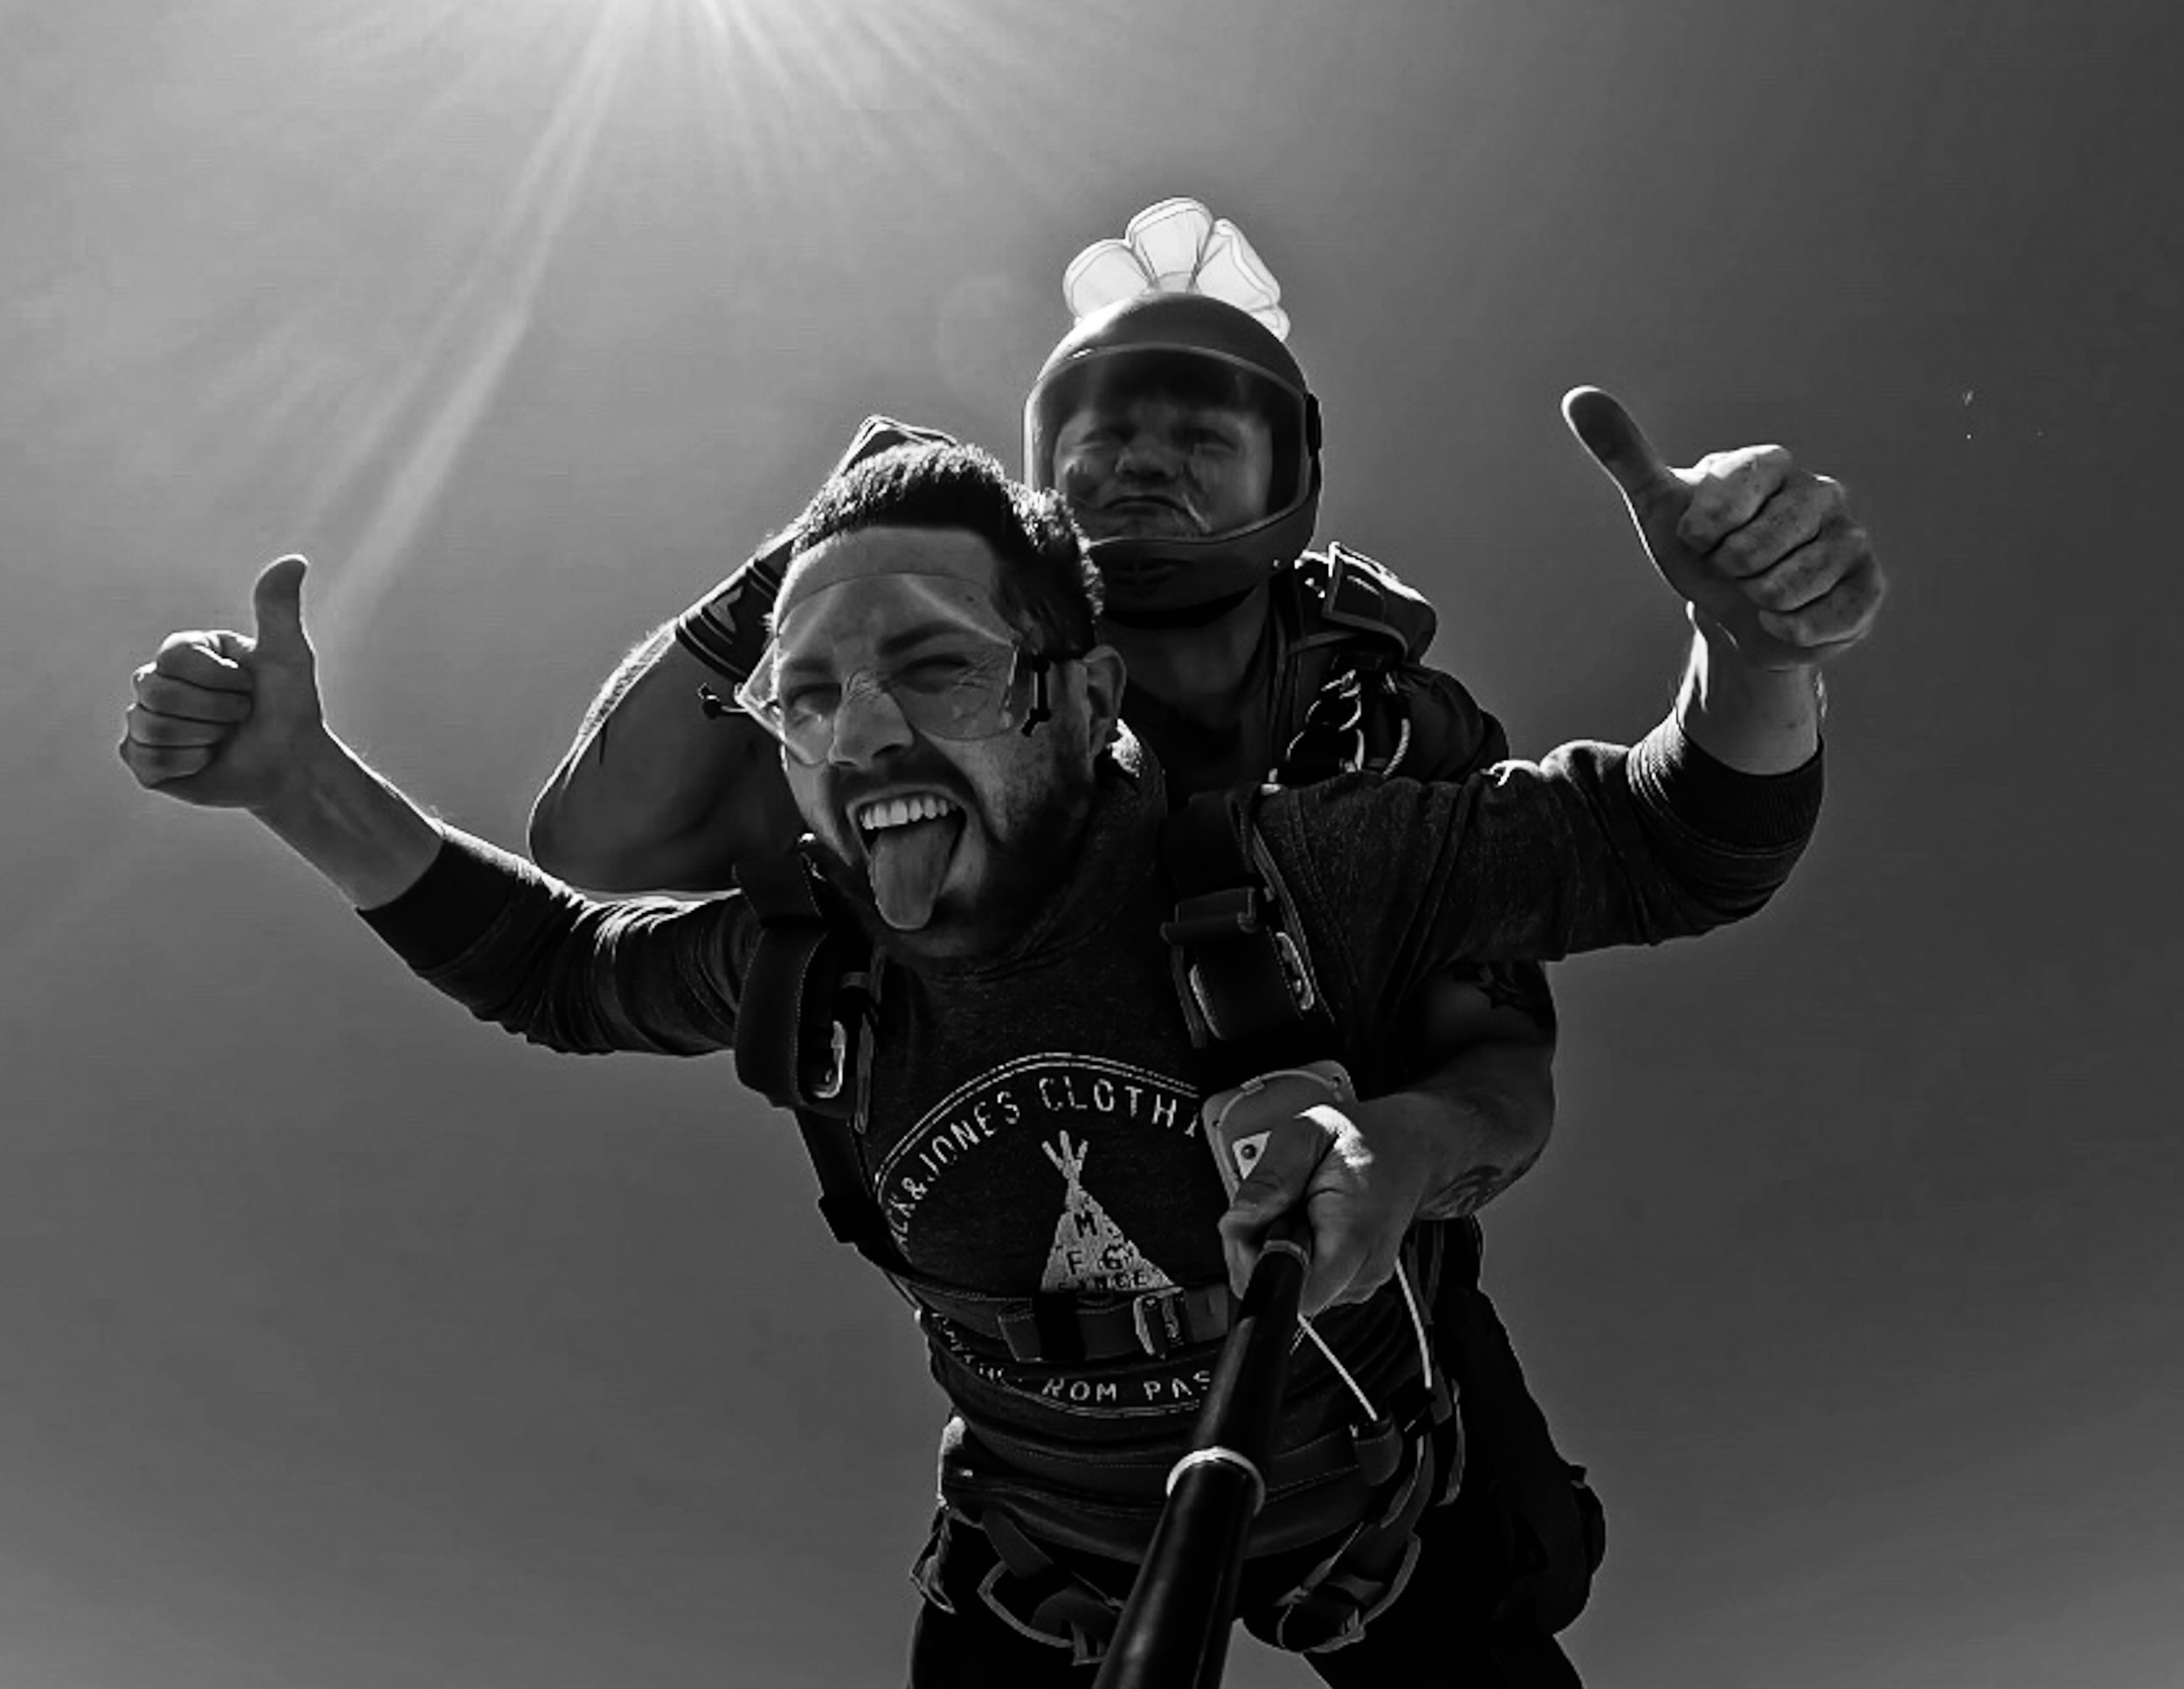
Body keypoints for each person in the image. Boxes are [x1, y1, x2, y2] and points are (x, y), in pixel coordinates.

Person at [121, 398, 1884, 1685]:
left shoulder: (1291, 871)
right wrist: (295, 783)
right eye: (808, 695)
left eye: (939, 666)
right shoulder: (813, 955)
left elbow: (1675, 841)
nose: (862, 735)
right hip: (1033, 1573)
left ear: (1089, 694)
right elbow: (554, 966)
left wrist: (1748, 648)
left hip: (1380, 1536)